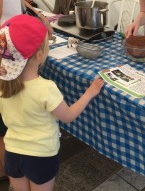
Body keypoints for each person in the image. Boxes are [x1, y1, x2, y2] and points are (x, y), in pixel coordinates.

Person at [0, 14, 104, 191]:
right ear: (40, 55)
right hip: (41, 156)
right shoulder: (46, 88)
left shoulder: (3, 85)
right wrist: (89, 93)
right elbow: (68, 116)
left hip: (12, 153)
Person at [0, 0, 54, 188]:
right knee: (4, 120)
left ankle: (12, 173)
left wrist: (31, 13)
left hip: (9, 56)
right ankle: (9, 173)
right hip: (5, 58)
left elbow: (9, 8)